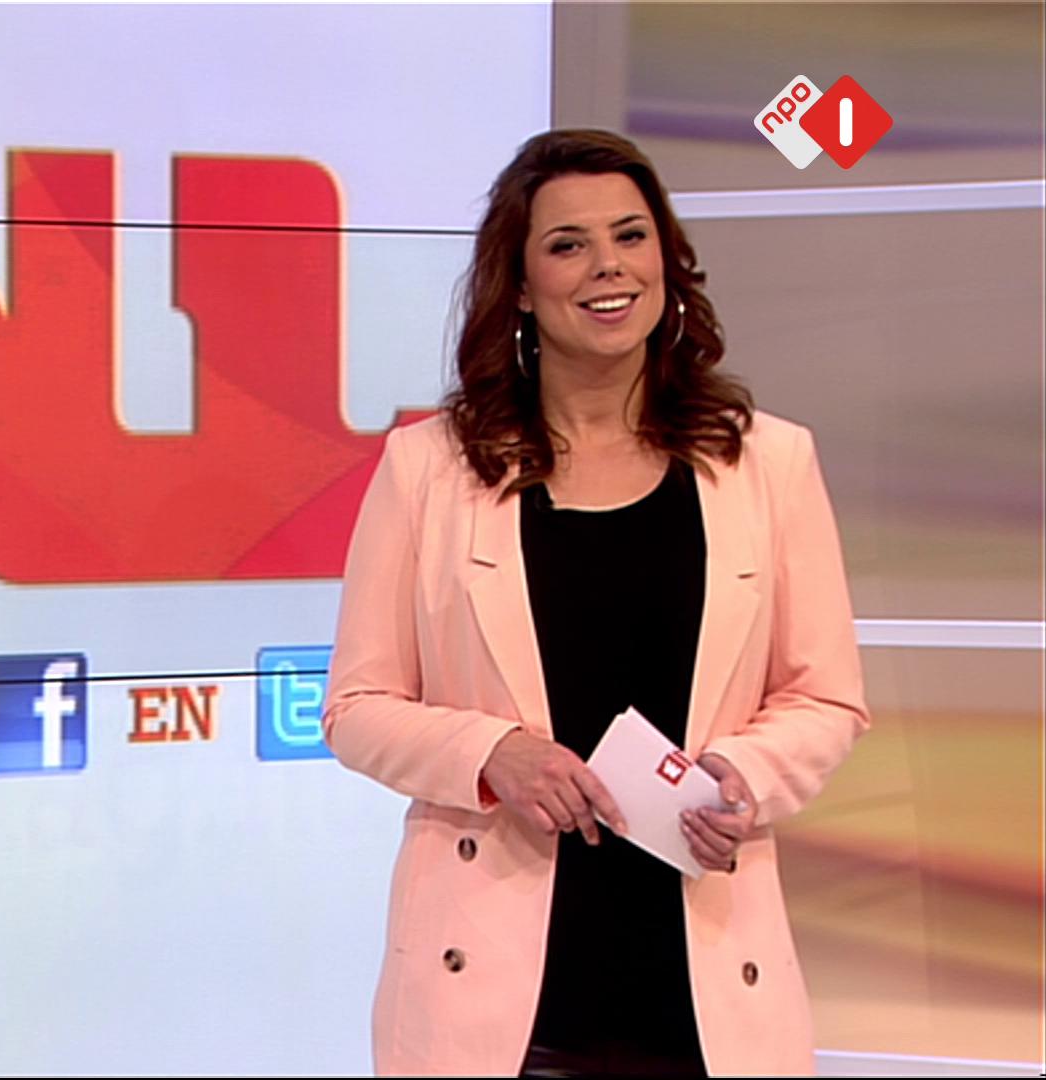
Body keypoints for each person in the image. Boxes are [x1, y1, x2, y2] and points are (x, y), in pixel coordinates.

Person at [322, 129, 870, 1078]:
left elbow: (825, 698)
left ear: (667, 260)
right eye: (568, 244)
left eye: (631, 235)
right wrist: (491, 754)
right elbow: (357, 706)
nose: (608, 266)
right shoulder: (428, 469)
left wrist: (742, 773)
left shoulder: (768, 462)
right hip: (496, 998)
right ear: (520, 285)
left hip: (707, 985)